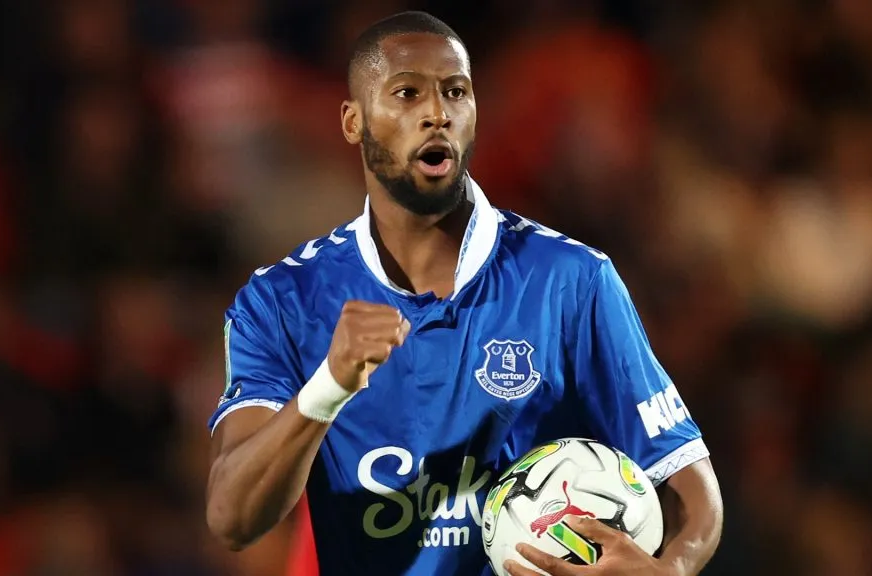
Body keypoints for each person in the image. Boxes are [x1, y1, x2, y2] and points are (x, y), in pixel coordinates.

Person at [205, 11, 723, 576]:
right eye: (407, 93)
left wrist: (668, 571)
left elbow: (693, 492)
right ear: (353, 122)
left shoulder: (571, 281)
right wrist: (328, 387)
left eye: (456, 92)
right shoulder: (282, 302)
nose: (437, 113)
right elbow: (233, 518)